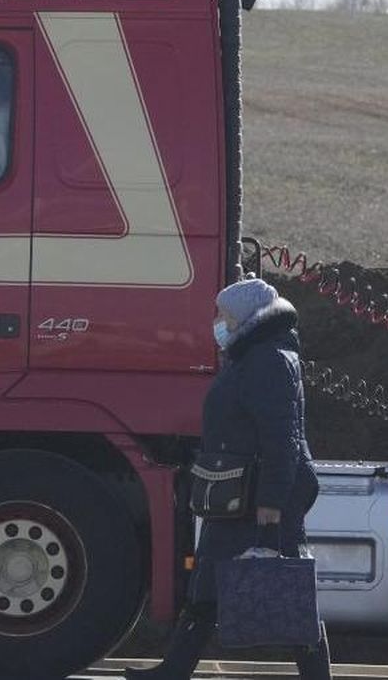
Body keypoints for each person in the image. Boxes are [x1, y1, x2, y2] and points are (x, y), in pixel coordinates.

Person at [126, 277, 330, 680]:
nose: (217, 321)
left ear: (247, 317)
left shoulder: (269, 361)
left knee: (289, 591)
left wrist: (271, 504)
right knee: (207, 585)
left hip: (263, 497)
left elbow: (282, 439)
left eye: (223, 315)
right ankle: (173, 669)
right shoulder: (249, 356)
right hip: (238, 493)